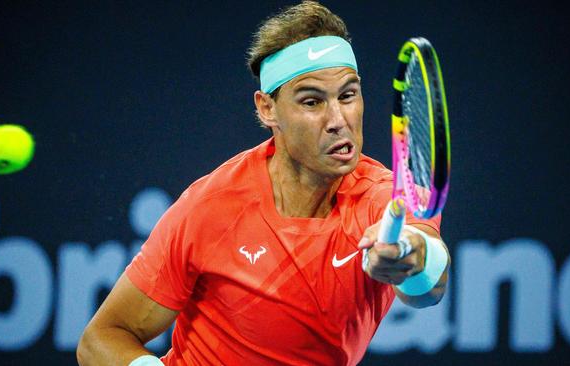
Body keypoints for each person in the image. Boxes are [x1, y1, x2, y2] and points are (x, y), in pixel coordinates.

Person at [77, 1, 450, 365]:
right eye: (312, 102)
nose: (338, 119)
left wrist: (410, 259)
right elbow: (102, 339)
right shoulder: (211, 204)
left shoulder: (386, 196)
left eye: (348, 95)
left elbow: (429, 287)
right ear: (267, 108)